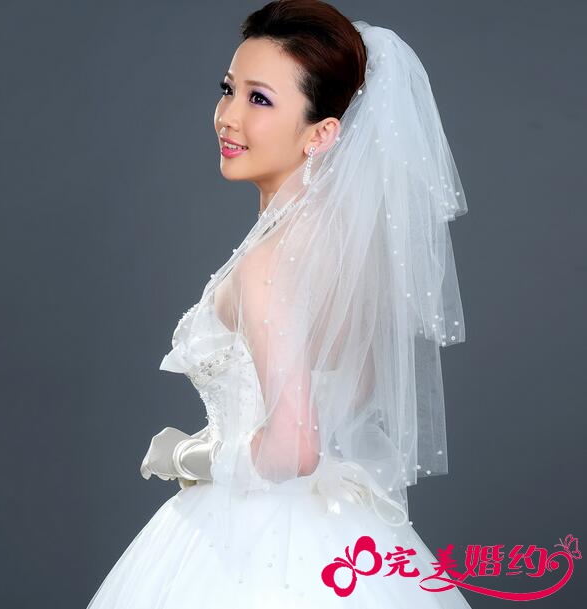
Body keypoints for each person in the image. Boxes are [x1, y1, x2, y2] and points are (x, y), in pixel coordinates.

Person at [87, 1, 472, 607]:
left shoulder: (267, 264)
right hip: (343, 530)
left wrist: (196, 455)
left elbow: (295, 445)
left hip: (251, 540)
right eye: (228, 90)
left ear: (321, 133)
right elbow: (352, 393)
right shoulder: (349, 254)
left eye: (259, 99)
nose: (228, 116)